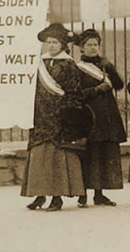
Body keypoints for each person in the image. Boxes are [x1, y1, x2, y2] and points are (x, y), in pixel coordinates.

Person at [22, 23, 86, 212]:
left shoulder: (69, 65)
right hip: (40, 117)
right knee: (38, 157)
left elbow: (74, 94)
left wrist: (67, 116)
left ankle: (56, 198)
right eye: (48, 42)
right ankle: (39, 195)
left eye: (55, 42)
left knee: (56, 158)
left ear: (63, 45)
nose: (50, 46)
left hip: (59, 119)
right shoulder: (40, 62)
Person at [75, 29, 125, 206]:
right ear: (82, 48)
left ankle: (99, 194)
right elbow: (75, 94)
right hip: (89, 116)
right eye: (89, 45)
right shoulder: (78, 68)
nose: (93, 48)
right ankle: (83, 195)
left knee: (103, 154)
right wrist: (96, 90)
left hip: (107, 116)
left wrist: (110, 67)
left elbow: (119, 86)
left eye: (96, 44)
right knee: (89, 154)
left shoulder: (104, 66)